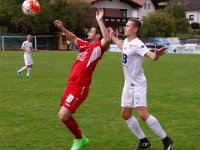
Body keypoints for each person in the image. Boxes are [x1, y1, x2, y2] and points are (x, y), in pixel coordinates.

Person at [110, 18, 173, 150]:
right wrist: (114, 38)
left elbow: (151, 57)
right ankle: (144, 141)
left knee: (143, 114)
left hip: (138, 84)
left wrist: (157, 55)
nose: (125, 28)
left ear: (135, 29)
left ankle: (166, 140)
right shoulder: (127, 41)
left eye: (128, 26)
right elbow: (123, 48)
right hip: (128, 84)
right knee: (125, 114)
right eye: (125, 26)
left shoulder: (138, 44)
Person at [54, 8, 110, 150]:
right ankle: (80, 139)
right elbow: (73, 38)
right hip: (70, 85)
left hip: (80, 86)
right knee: (65, 116)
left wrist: (99, 21)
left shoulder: (98, 47)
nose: (88, 33)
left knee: (63, 116)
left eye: (91, 31)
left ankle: (80, 139)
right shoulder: (85, 46)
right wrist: (62, 28)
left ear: (97, 35)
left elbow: (107, 39)